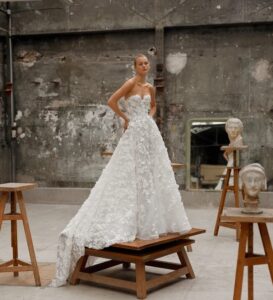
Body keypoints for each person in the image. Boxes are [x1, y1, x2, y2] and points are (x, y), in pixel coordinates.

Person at [50, 54, 191, 287]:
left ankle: (150, 223)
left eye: (147, 63)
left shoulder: (150, 87)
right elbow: (111, 101)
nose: (145, 66)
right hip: (134, 131)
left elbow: (154, 105)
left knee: (151, 176)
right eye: (141, 63)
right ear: (135, 66)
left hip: (149, 132)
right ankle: (128, 222)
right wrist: (128, 118)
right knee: (130, 174)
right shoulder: (130, 84)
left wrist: (148, 118)